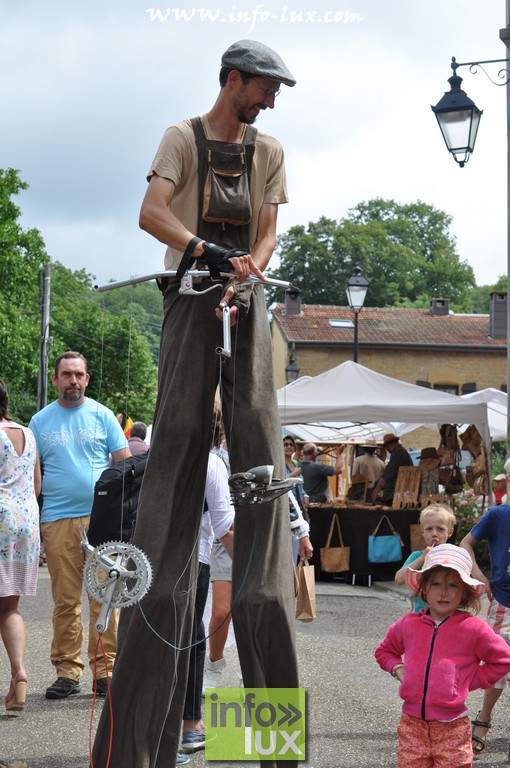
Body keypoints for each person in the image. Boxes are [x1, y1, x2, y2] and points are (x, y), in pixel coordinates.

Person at [92, 40, 299, 768]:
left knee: (261, 461)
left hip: (248, 300)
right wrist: (207, 254)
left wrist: (251, 268)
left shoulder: (269, 149)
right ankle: (137, 750)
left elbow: (267, 225)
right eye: (265, 88)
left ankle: (264, 753)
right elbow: (153, 213)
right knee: (177, 445)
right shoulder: (182, 137)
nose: (272, 100)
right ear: (233, 80)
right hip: (188, 298)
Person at [29, 352, 131, 699]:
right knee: (65, 600)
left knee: (105, 597)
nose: (73, 380)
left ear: (87, 379)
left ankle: (105, 672)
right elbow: (33, 477)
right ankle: (67, 673)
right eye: (67, 374)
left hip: (101, 520)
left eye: (79, 374)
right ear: (55, 379)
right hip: (56, 519)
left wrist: (123, 513)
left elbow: (124, 466)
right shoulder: (39, 422)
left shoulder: (102, 415)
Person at [375, 544, 510, 768]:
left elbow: (504, 659)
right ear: (424, 588)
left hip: (453, 727)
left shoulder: (473, 629)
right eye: (436, 583)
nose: (443, 592)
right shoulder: (409, 624)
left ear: (465, 592)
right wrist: (398, 670)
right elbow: (384, 651)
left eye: (453, 585)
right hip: (411, 725)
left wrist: (468, 680)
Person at [182, 451, 234, 755]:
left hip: (145, 562)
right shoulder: (211, 461)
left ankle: (149, 732)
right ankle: (190, 727)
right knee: (190, 641)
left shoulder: (158, 449)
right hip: (193, 561)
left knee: (156, 642)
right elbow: (225, 524)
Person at [460, 458, 510, 756]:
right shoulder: (498, 515)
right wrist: (479, 576)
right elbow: (466, 543)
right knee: (498, 666)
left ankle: (482, 722)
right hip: (504, 603)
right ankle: (485, 718)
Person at [0, 380, 41, 713]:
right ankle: (20, 674)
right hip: (26, 521)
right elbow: (37, 482)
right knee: (9, 608)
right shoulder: (28, 433)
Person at [394, 503, 455, 611]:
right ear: (422, 532)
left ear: (450, 532)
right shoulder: (418, 556)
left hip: (449, 615)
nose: (434, 533)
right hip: (422, 615)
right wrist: (422, 559)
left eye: (440, 529)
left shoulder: (455, 556)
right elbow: (399, 579)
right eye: (429, 529)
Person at [371, 433, 413, 505]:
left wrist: (375, 492)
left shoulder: (398, 452)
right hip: (400, 493)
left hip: (397, 495)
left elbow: (387, 474)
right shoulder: (400, 451)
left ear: (388, 446)